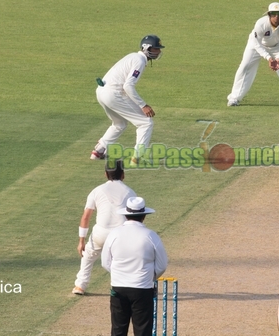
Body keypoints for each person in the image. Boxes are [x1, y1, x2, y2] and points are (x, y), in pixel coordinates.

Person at [90, 35, 164, 164]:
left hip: (101, 92)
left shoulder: (132, 56)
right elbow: (128, 86)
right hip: (113, 94)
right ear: (147, 48)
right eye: (156, 49)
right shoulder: (139, 61)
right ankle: (138, 157)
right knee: (146, 122)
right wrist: (143, 105)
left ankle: (98, 151)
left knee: (119, 124)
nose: (159, 52)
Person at [102, 197, 168, 336]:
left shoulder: (114, 234)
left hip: (118, 289)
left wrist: (119, 274)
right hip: (142, 289)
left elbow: (106, 262)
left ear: (126, 215)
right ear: (144, 216)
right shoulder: (151, 236)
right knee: (143, 330)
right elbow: (162, 265)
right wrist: (148, 277)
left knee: (118, 329)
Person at [72, 160, 136, 296]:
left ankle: (80, 286)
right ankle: (123, 287)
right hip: (121, 234)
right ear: (123, 174)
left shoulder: (97, 191)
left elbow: (85, 217)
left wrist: (81, 241)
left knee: (88, 256)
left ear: (106, 174)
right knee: (120, 261)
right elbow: (134, 217)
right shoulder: (130, 193)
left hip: (100, 233)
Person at [227, 2, 279, 108]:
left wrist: (278, 58)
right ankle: (234, 98)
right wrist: (268, 57)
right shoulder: (260, 24)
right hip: (257, 46)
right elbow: (256, 43)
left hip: (278, 47)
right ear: (269, 14)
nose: (276, 17)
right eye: (273, 14)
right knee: (245, 67)